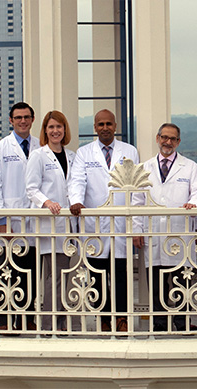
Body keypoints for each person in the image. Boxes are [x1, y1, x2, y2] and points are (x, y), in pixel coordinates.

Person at [68, 109, 139, 332]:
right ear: (95, 128)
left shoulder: (129, 151)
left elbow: (137, 188)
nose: (105, 127)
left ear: (115, 126)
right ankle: (104, 318)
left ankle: (122, 318)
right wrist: (77, 201)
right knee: (97, 275)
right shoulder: (84, 153)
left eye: (109, 123)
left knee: (121, 274)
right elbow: (77, 180)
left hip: (121, 223)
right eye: (101, 124)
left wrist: (136, 224)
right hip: (94, 224)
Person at [133, 123, 197, 332]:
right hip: (154, 232)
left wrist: (194, 203)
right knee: (156, 280)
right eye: (164, 137)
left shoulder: (190, 167)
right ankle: (159, 322)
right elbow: (138, 200)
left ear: (178, 142)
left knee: (182, 279)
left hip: (179, 230)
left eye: (172, 139)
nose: (168, 142)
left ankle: (183, 321)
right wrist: (138, 229)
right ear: (157, 139)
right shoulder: (145, 168)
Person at [0, 102, 40, 331]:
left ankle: (27, 320)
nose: (23, 121)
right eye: (18, 117)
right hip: (9, 223)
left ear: (32, 119)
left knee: (30, 274)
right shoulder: (1, 149)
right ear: (11, 120)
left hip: (33, 223)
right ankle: (6, 321)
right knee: (6, 274)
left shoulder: (39, 146)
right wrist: (2, 223)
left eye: (26, 117)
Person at [25, 110, 76, 331]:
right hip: (51, 223)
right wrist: (47, 202)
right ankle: (50, 324)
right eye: (51, 127)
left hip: (69, 224)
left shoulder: (72, 156)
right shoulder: (38, 155)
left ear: (65, 129)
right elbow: (31, 188)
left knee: (63, 274)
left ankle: (60, 321)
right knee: (54, 275)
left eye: (59, 127)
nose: (55, 131)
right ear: (45, 130)